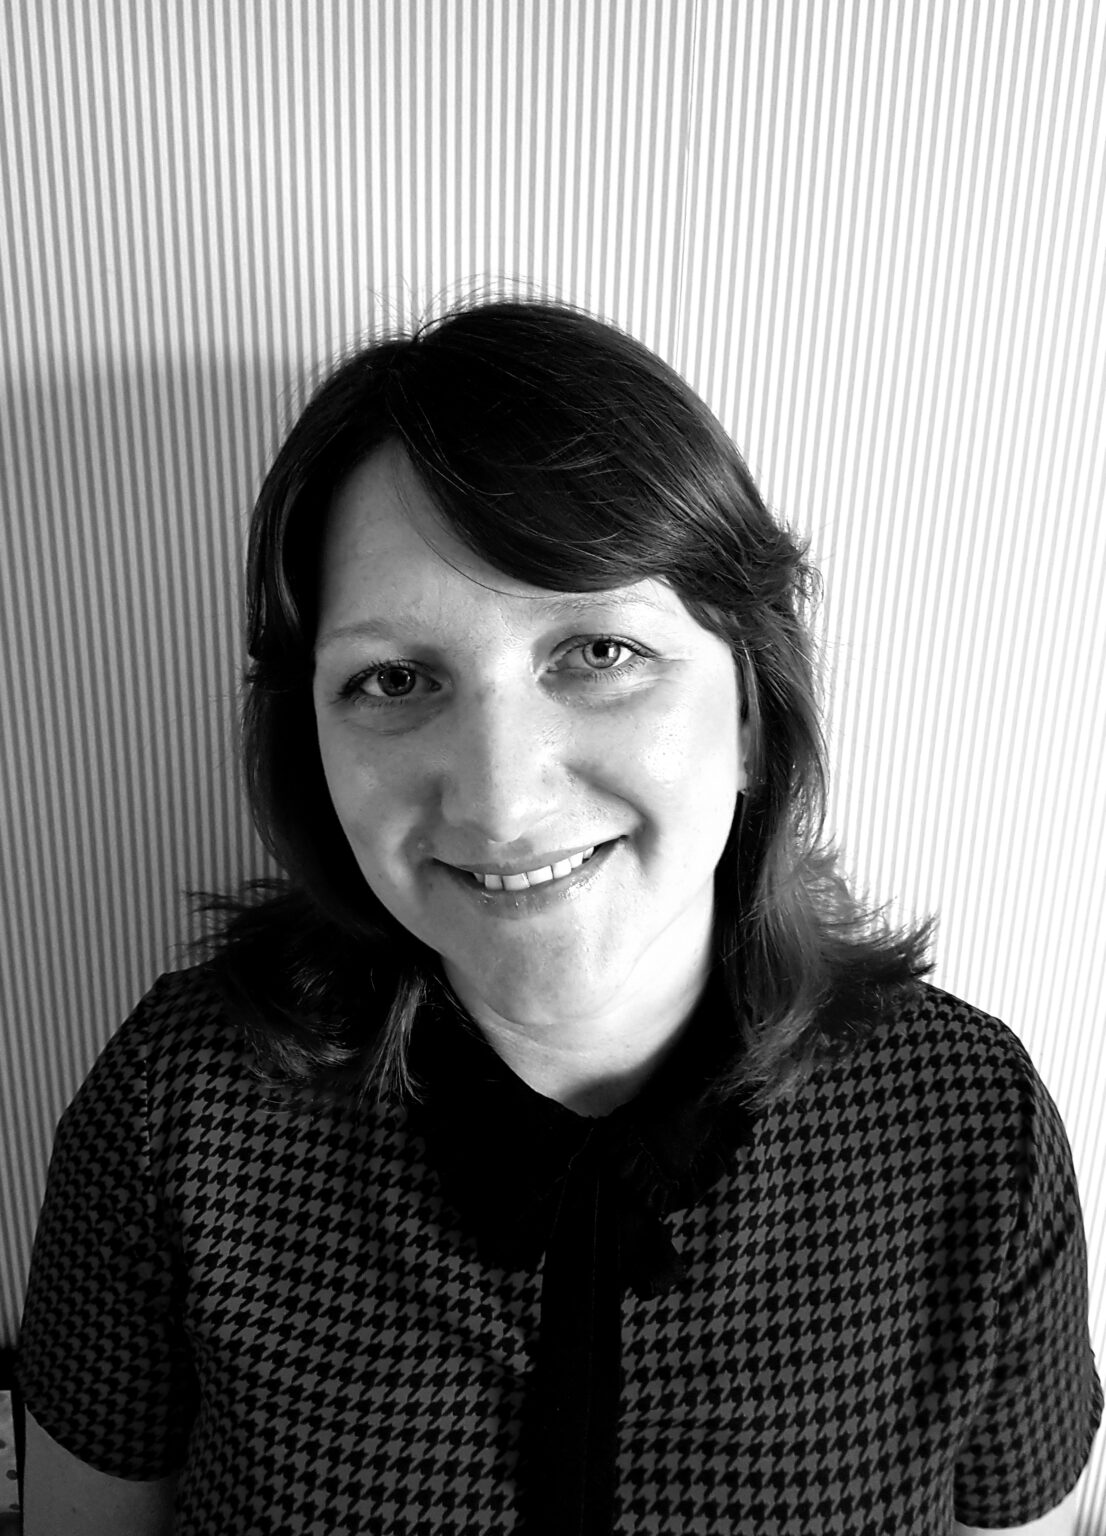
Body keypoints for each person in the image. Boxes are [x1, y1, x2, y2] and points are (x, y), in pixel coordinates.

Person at [17, 297, 1102, 1535]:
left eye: (594, 653)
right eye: (392, 678)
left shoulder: (969, 1125)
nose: (499, 798)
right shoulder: (177, 1109)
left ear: (750, 711)